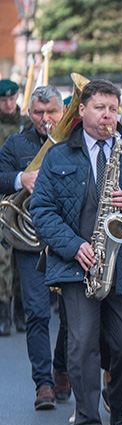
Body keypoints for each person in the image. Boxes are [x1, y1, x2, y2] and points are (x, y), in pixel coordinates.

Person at [30, 79, 122, 425]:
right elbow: (41, 209)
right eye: (100, 107)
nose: (108, 115)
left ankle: (116, 402)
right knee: (82, 346)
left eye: (113, 108)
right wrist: (74, 246)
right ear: (82, 110)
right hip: (77, 265)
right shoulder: (58, 155)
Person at [0, 85, 66, 409]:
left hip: (68, 240)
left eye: (51, 112)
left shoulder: (72, 142)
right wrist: (19, 179)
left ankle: (62, 366)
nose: (45, 119)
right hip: (30, 242)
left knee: (72, 315)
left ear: (63, 111)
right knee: (37, 314)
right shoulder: (16, 143)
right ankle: (44, 383)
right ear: (29, 113)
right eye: (38, 113)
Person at [0, 78, 32, 336]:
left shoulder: (27, 125)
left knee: (24, 257)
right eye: (3, 99)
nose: (8, 103)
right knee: (2, 261)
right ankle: (3, 311)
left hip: (24, 201)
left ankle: (21, 311)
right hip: (1, 201)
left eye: (12, 98)